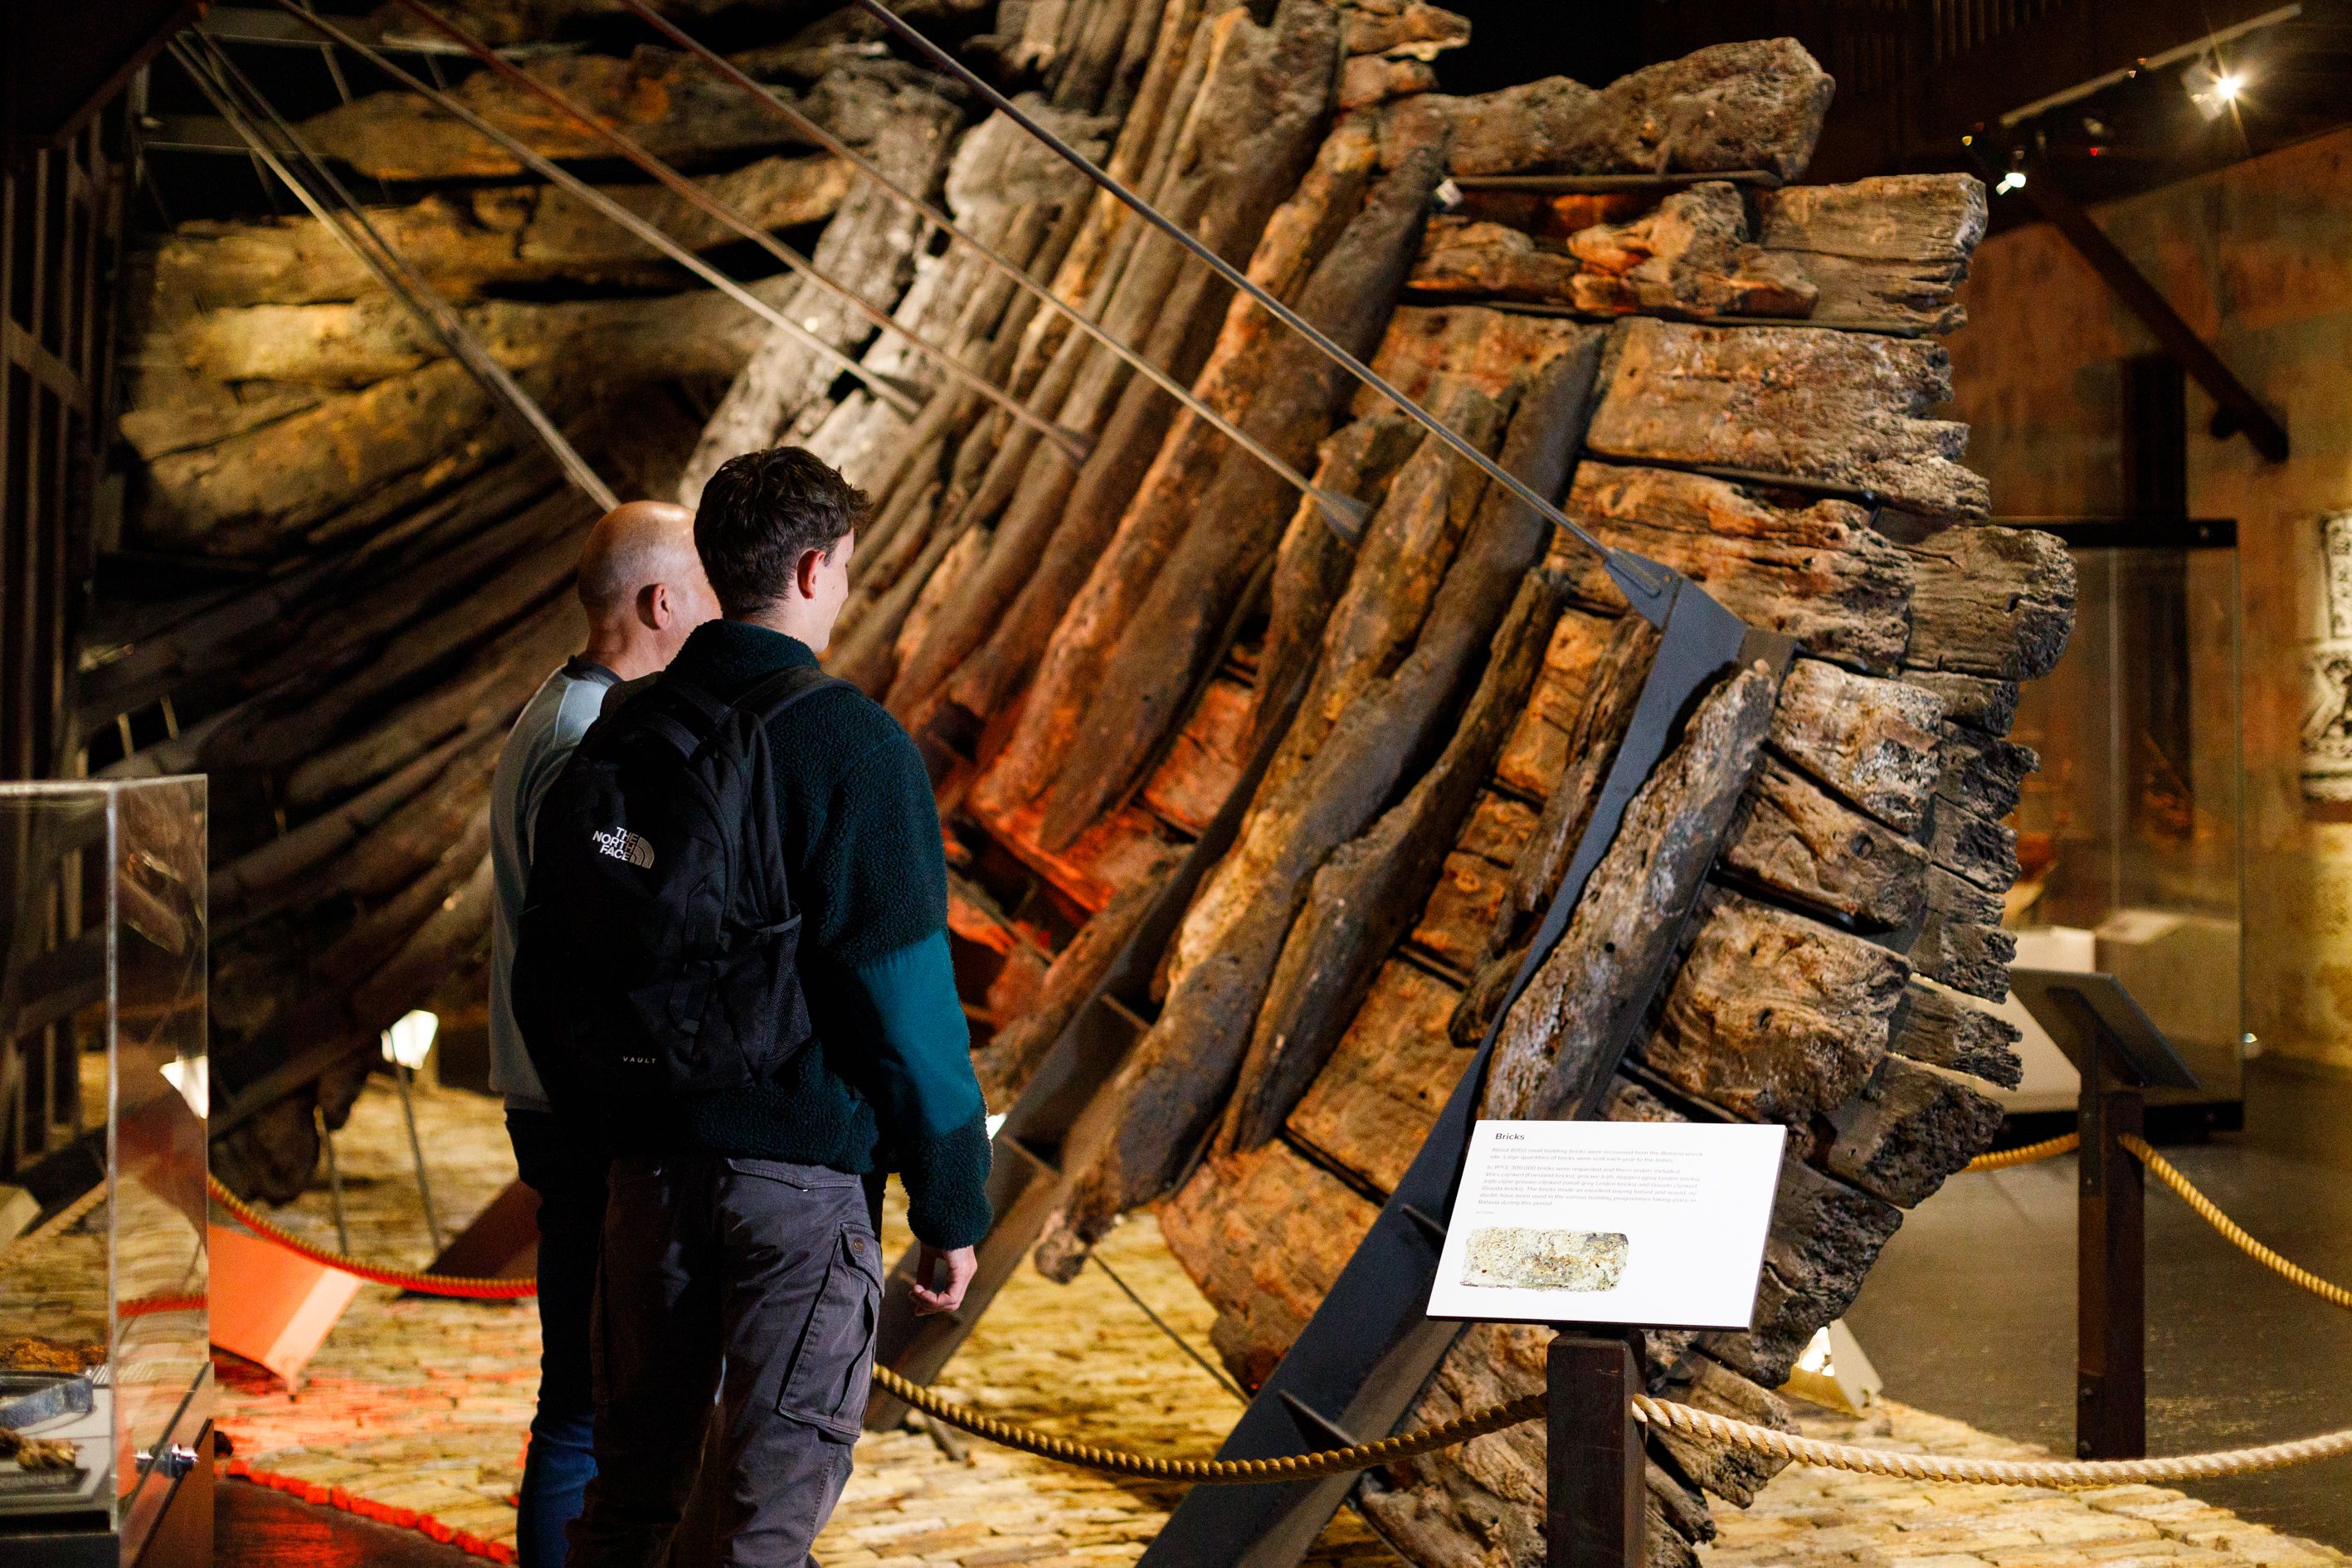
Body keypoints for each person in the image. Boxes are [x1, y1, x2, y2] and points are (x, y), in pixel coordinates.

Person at [564, 447, 991, 1568]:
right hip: (798, 1194)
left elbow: (557, 963)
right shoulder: (854, 747)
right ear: (811, 569)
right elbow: (905, 1008)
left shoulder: (619, 732)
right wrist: (952, 1202)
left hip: (645, 1176)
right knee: (761, 1526)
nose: (844, 588)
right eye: (845, 566)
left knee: (629, 1506)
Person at [488, 499, 719, 1568]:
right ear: (663, 601)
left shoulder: (563, 710)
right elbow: (596, 946)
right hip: (581, 1108)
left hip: (559, 1096)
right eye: (708, 594)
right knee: (584, 1406)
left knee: (592, 1400)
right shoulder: (590, 739)